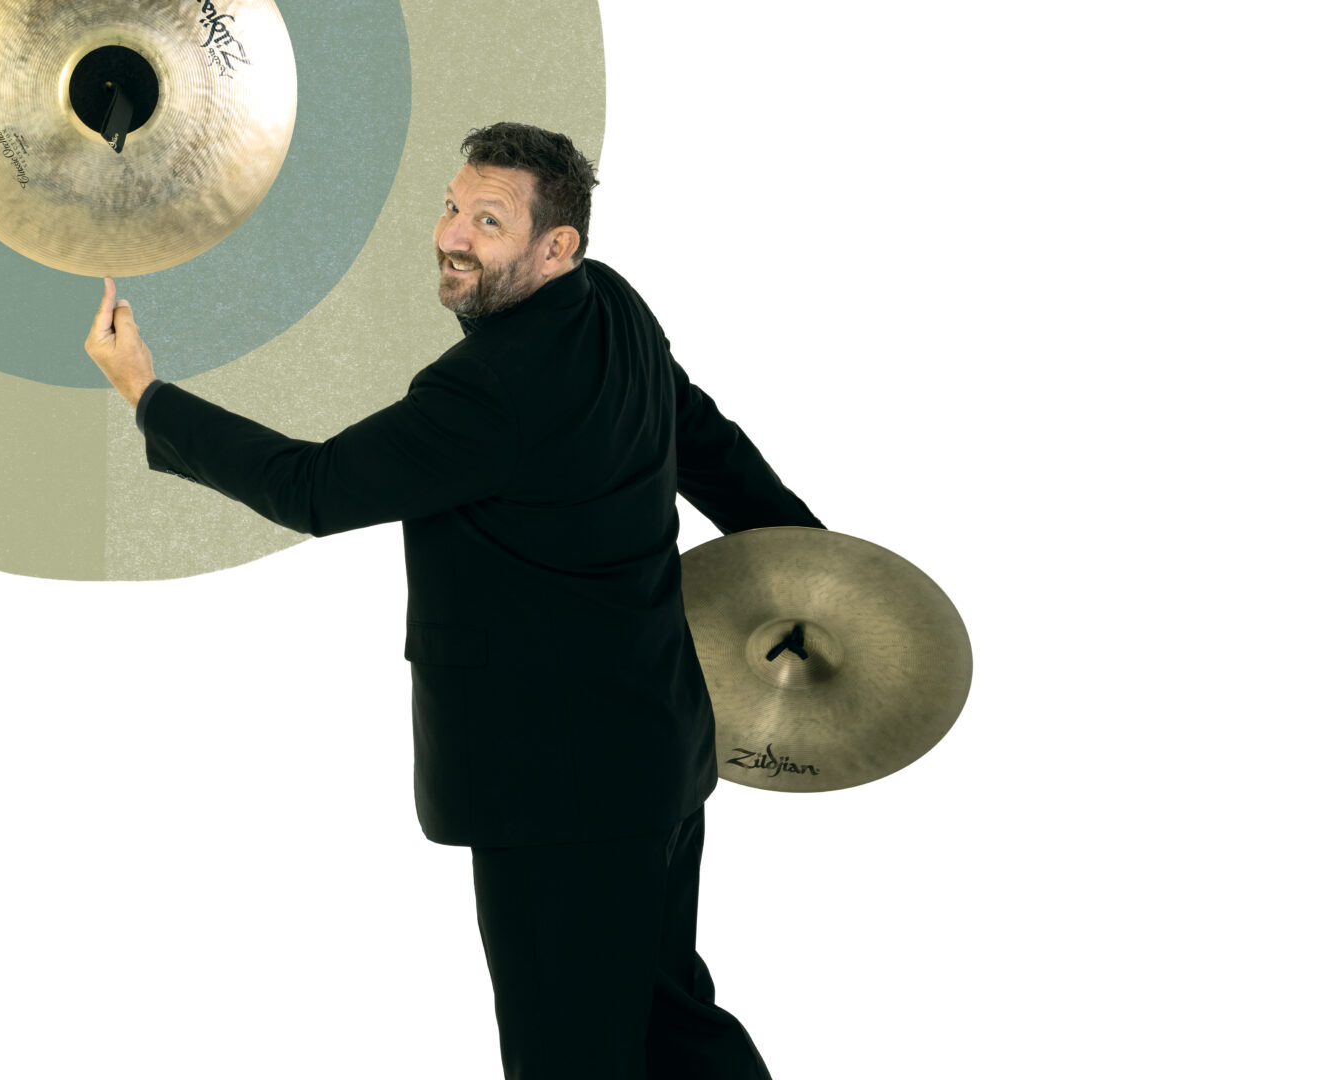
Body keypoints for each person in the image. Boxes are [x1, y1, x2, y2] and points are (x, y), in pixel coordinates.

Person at [86, 122, 821, 1079]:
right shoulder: (615, 307)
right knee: (671, 1021)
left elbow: (314, 488)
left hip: (555, 796)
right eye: (450, 206)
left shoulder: (489, 390)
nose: (452, 235)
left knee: (573, 1055)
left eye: (488, 220)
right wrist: (813, 565)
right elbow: (708, 444)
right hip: (658, 760)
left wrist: (147, 394)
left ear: (558, 247)